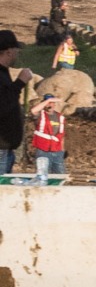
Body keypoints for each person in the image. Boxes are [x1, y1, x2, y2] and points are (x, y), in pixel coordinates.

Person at [0, 30, 35, 177]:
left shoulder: (3, 72)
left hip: (6, 149)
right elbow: (3, 106)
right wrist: (20, 83)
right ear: (8, 51)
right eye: (16, 49)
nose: (17, 53)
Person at [29, 93, 66, 179]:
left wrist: (62, 150)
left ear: (54, 104)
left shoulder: (60, 117)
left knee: (60, 175)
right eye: (47, 102)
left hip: (57, 150)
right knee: (43, 176)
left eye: (52, 102)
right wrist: (48, 100)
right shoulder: (40, 115)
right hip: (43, 150)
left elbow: (62, 135)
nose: (50, 104)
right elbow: (33, 111)